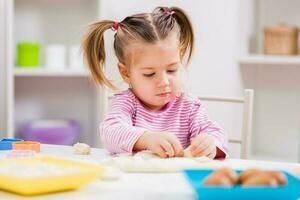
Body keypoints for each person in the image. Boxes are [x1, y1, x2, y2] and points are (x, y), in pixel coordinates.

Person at [82, 6, 228, 159]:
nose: (164, 82)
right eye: (150, 74)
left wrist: (210, 144)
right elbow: (110, 131)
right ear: (126, 73)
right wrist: (146, 138)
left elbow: (216, 133)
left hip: (177, 181)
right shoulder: (126, 103)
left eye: (172, 70)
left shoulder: (189, 107)